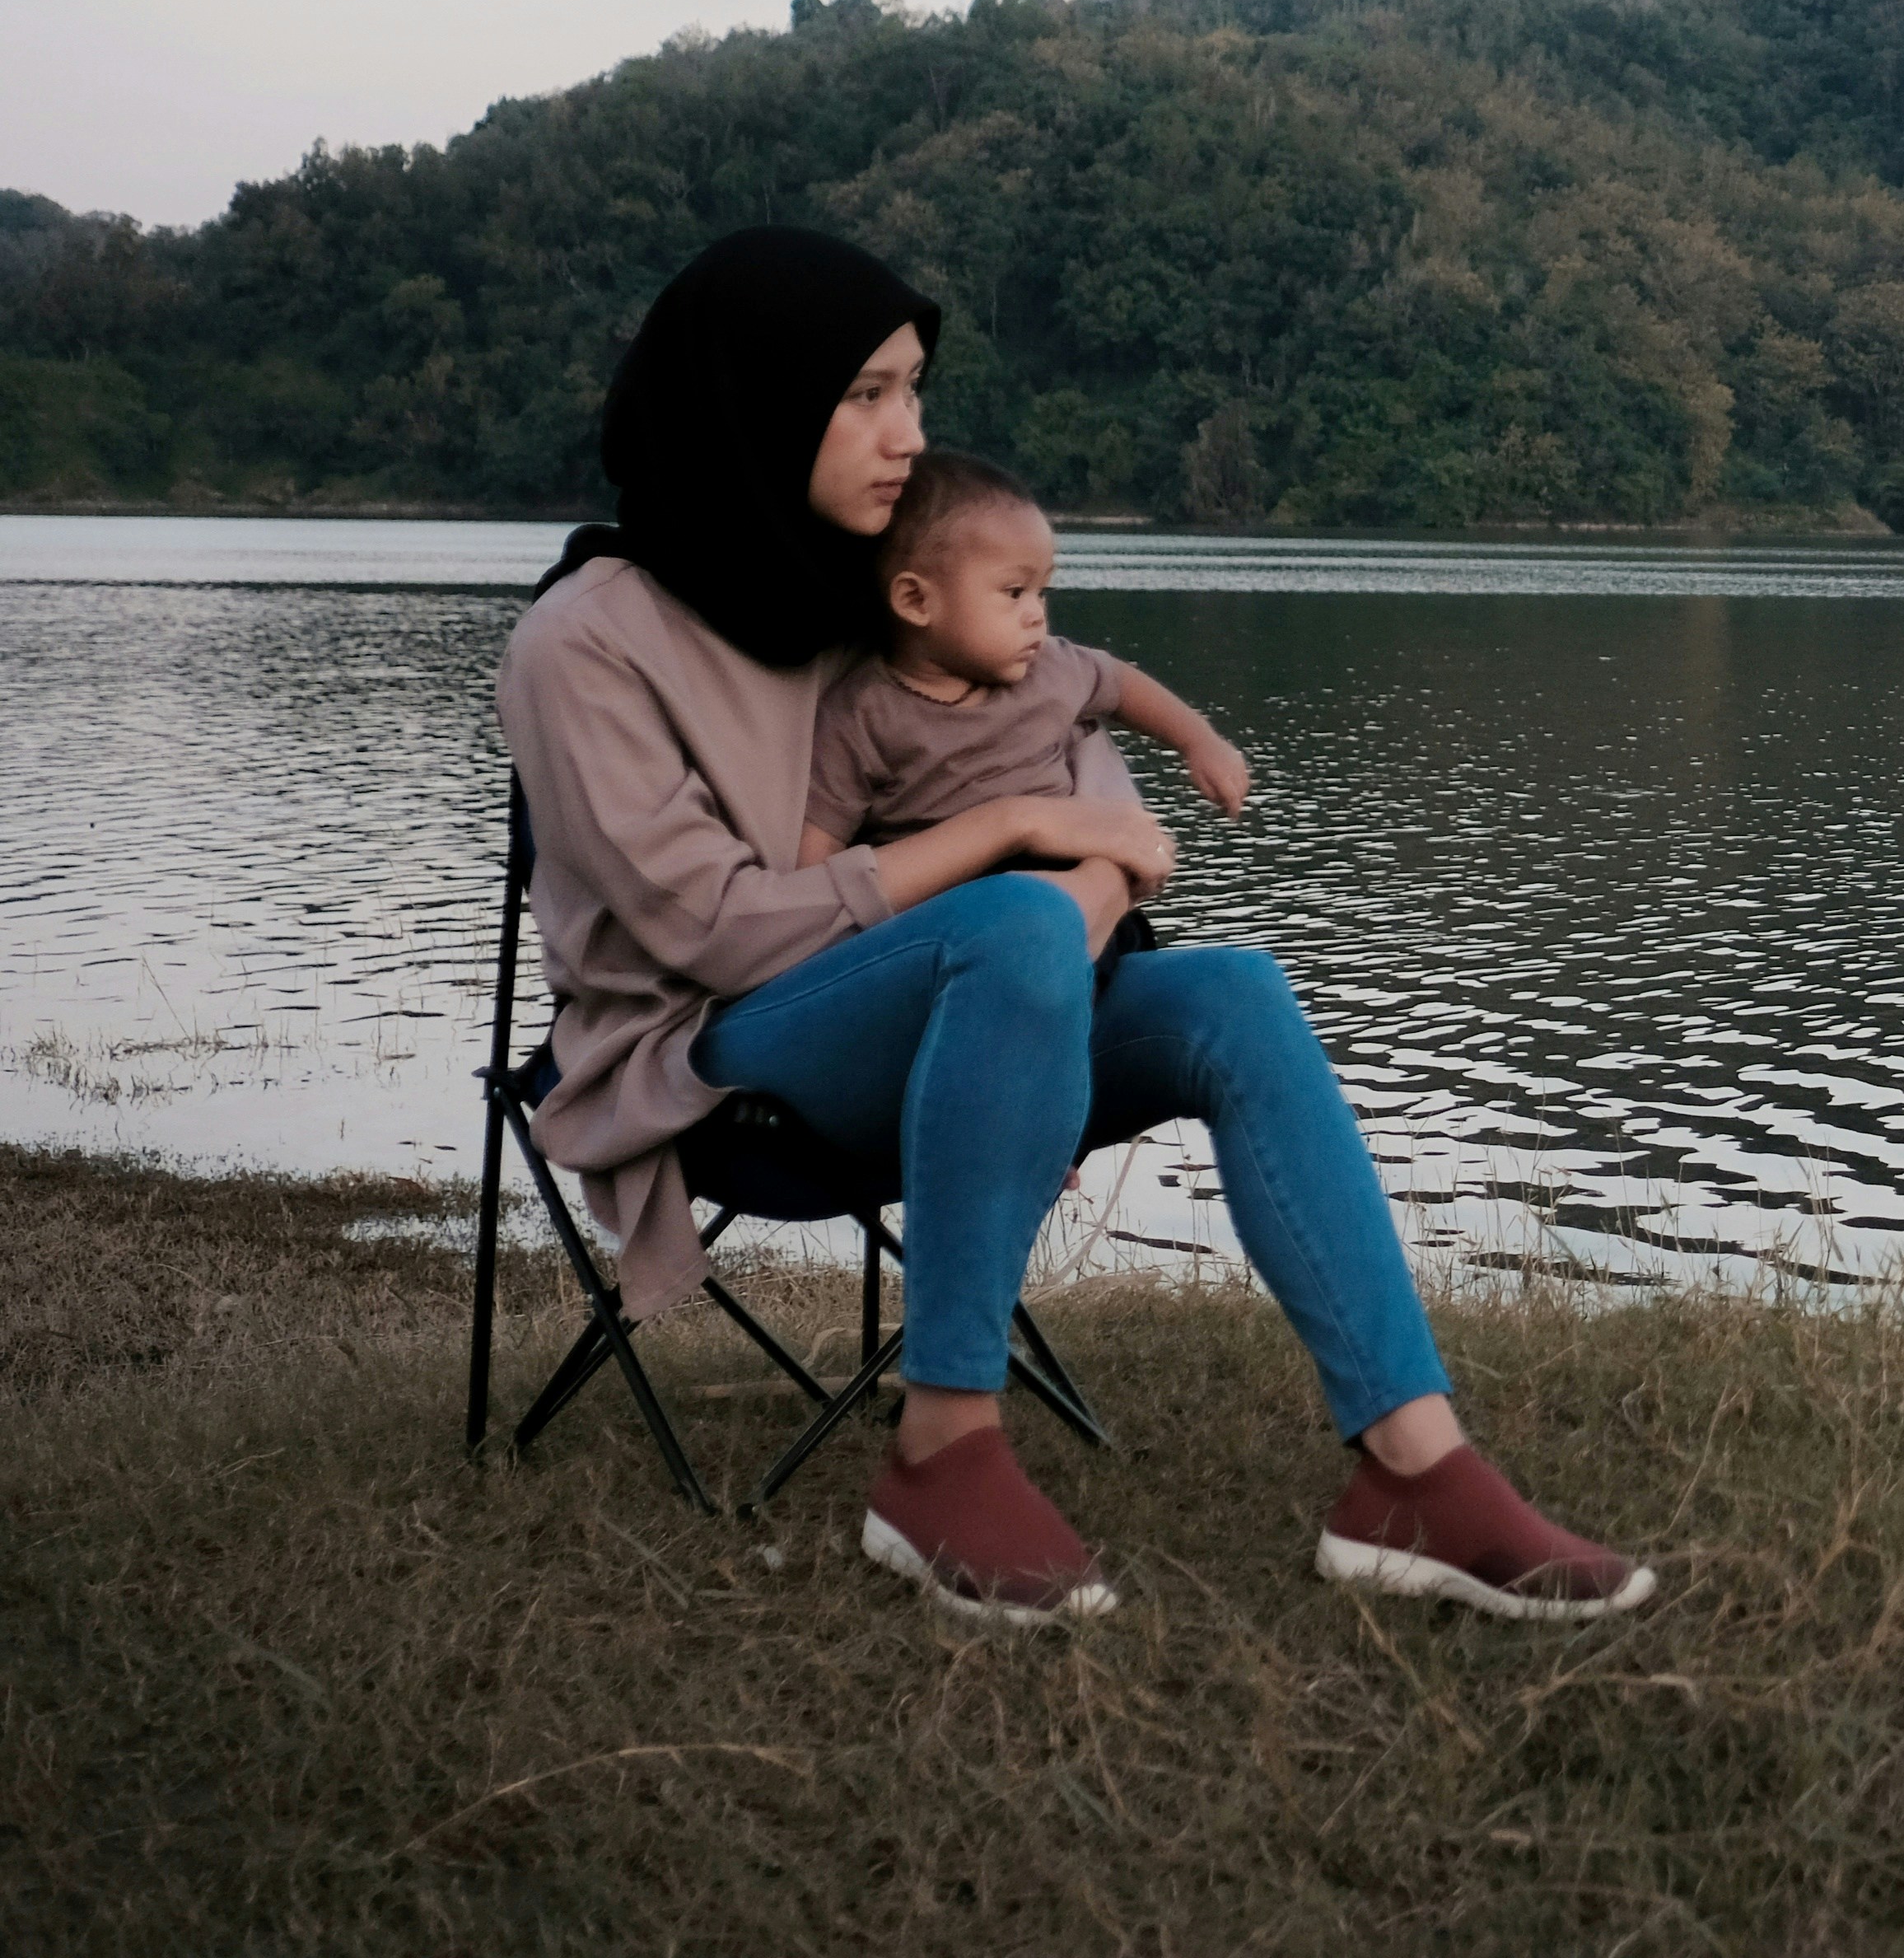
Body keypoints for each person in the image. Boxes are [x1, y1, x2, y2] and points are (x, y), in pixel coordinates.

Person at [499, 226, 1646, 1627]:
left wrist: (1091, 881)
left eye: (914, 390)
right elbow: (720, 934)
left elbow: (1060, 757)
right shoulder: (586, 643)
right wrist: (1015, 854)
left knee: (1233, 994)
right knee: (1019, 930)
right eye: (865, 395)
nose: (907, 437)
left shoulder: (861, 582)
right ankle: (941, 1455)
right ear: (751, 398)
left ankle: (1412, 1469)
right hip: (715, 1057)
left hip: (966, 1002)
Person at [800, 451, 1249, 991]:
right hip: (951, 914)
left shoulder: (1050, 670)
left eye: (1042, 592)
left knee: (1129, 949)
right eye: (1014, 593)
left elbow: (1120, 684)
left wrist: (1200, 742)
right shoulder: (862, 714)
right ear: (917, 600)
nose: (1037, 613)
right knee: (1019, 943)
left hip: (1076, 883)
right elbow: (814, 874)